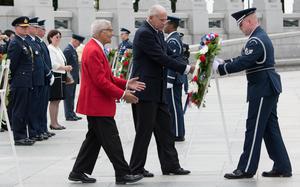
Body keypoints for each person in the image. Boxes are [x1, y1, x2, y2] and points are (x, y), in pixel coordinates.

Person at [212, 8, 292, 179]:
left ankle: (246, 168)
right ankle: (283, 166)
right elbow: (245, 59)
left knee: (254, 128)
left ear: (248, 22)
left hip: (263, 88)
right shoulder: (258, 37)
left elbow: (244, 62)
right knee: (270, 129)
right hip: (266, 86)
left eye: (241, 25)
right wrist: (223, 62)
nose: (241, 28)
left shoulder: (256, 40)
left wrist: (221, 68)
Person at [68, 19, 144, 185]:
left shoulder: (95, 48)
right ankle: (123, 174)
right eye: (109, 30)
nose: (112, 33)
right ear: (100, 32)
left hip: (96, 104)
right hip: (97, 105)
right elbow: (101, 81)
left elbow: (107, 77)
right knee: (112, 140)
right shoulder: (94, 50)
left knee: (94, 140)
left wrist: (126, 83)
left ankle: (77, 172)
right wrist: (124, 94)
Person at [129, 4, 194, 177]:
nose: (165, 23)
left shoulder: (157, 32)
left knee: (165, 130)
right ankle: (136, 168)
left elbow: (169, 53)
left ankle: (171, 166)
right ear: (151, 18)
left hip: (158, 90)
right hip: (144, 90)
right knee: (144, 131)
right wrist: (186, 69)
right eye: (162, 19)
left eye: (166, 19)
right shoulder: (144, 33)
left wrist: (188, 64)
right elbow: (160, 57)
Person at [7, 16, 35, 145]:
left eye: (26, 27)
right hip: (19, 81)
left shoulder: (23, 41)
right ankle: (18, 136)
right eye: (22, 27)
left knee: (25, 109)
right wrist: (15, 79)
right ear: (16, 28)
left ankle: (24, 134)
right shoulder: (15, 42)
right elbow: (12, 64)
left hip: (26, 81)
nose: (25, 29)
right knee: (19, 109)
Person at [26, 17, 52, 141]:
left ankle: (41, 129)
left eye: (38, 28)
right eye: (35, 27)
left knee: (41, 106)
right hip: (35, 79)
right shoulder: (29, 41)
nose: (37, 30)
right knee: (35, 107)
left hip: (42, 78)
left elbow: (43, 61)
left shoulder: (37, 42)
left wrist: (48, 73)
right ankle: (35, 131)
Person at [164, 16, 187, 142]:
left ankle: (178, 133)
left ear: (171, 25)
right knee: (173, 106)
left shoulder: (173, 40)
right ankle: (176, 131)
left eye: (166, 23)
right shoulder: (173, 38)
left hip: (173, 79)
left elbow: (173, 61)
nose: (164, 26)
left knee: (174, 107)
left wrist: (169, 79)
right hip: (175, 78)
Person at [47, 30, 72, 130]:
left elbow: (63, 61)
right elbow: (53, 64)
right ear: (50, 38)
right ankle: (53, 123)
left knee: (58, 101)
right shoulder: (50, 48)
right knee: (54, 100)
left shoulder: (57, 48)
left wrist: (66, 69)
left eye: (59, 37)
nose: (58, 39)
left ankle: (56, 121)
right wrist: (65, 68)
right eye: (56, 37)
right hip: (56, 75)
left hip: (61, 75)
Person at [36, 19, 56, 138]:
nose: (44, 31)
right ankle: (38, 130)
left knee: (43, 106)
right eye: (42, 29)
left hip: (45, 77)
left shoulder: (41, 43)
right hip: (41, 77)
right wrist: (48, 73)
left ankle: (43, 128)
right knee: (38, 106)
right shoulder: (37, 43)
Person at [63, 34, 85, 121]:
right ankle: (68, 115)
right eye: (79, 43)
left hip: (73, 78)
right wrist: (68, 77)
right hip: (69, 78)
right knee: (68, 96)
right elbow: (65, 64)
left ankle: (72, 113)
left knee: (71, 96)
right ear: (74, 41)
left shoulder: (72, 49)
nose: (79, 45)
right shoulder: (68, 50)